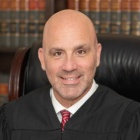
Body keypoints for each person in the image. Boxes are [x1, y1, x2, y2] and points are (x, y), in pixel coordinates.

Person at [0, 9, 140, 140]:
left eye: (80, 52)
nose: (69, 66)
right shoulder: (11, 118)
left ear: (97, 55)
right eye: (58, 53)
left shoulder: (129, 121)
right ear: (42, 59)